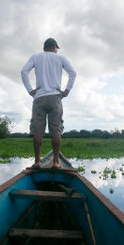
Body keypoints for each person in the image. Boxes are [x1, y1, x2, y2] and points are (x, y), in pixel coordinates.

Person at [21, 38, 77, 168]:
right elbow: (73, 73)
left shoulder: (35, 57)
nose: (57, 50)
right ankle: (56, 162)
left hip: (39, 97)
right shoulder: (61, 58)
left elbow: (24, 72)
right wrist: (66, 91)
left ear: (44, 47)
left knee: (37, 130)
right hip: (55, 97)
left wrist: (30, 90)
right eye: (57, 48)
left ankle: (37, 162)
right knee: (56, 129)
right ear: (54, 47)